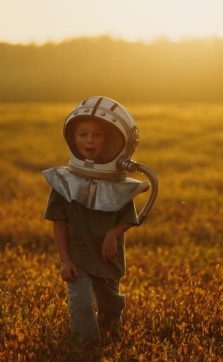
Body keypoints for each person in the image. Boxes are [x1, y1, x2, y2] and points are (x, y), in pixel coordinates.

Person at [43, 96, 153, 343]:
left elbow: (128, 217)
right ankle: (86, 346)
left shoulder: (118, 185)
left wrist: (113, 234)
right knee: (80, 302)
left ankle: (111, 328)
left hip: (108, 259)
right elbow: (58, 223)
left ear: (114, 141)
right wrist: (65, 260)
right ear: (72, 137)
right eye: (83, 134)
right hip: (78, 256)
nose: (89, 140)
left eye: (97, 135)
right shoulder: (63, 182)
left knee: (110, 305)